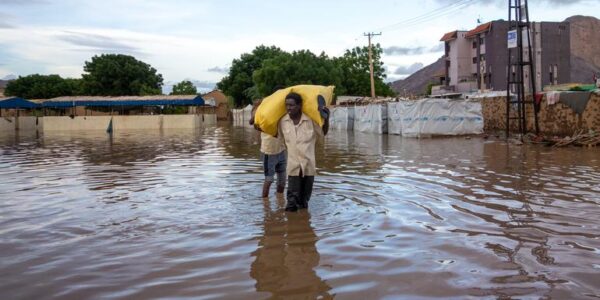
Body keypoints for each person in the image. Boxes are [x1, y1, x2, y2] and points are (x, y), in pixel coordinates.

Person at [277, 92, 329, 212]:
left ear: (300, 106)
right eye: (287, 105)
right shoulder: (283, 122)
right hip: (293, 167)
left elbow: (323, 133)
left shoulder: (310, 120)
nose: (289, 108)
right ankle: (291, 228)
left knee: (304, 202)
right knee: (291, 203)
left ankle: (304, 226)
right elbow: (279, 139)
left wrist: (327, 119)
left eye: (292, 105)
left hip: (308, 167)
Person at [249, 100, 287, 198]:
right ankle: (265, 206)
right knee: (269, 179)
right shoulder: (266, 108)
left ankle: (280, 201)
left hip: (281, 149)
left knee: (282, 180)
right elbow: (252, 122)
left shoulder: (284, 110)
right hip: (268, 151)